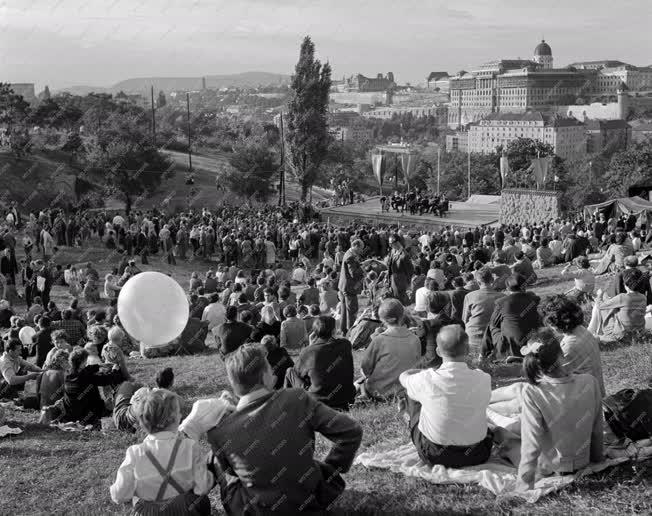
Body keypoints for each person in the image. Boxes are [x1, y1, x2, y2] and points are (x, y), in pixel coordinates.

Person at [207, 344, 363, 514]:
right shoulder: (296, 398)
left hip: (258, 510)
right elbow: (351, 431)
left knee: (214, 459)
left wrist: (236, 416)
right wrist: (331, 469)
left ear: (233, 383)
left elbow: (234, 472)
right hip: (311, 500)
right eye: (269, 366)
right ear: (265, 375)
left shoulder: (219, 432)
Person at [516, 329, 603, 491]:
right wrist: (598, 460)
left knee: (507, 441)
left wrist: (523, 486)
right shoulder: (590, 382)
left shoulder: (532, 391)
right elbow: (597, 429)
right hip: (583, 461)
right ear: (561, 354)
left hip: (550, 469)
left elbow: (531, 443)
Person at [399, 325, 493, 467]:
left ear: (438, 351)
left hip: (435, 455)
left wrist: (422, 371)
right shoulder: (484, 378)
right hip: (478, 453)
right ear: (467, 350)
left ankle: (412, 420)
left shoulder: (426, 378)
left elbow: (403, 377)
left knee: (411, 389)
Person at [110, 389, 213, 515]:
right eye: (178, 413)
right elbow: (202, 487)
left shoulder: (135, 453)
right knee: (199, 500)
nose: (181, 415)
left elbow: (119, 495)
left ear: (142, 423)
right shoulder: (190, 446)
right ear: (175, 419)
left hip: (150, 512)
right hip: (186, 508)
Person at [284, 315, 356, 411]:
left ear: (315, 332)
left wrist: (310, 345)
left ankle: (288, 405)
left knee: (290, 371)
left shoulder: (308, 351)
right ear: (333, 331)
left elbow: (298, 373)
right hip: (344, 399)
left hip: (318, 402)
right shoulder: (346, 344)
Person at [540, 296, 605, 396]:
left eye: (550, 324)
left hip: (586, 400)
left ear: (556, 324)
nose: (549, 327)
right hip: (597, 392)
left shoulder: (568, 346)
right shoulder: (581, 329)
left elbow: (548, 375)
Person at [359, 299, 421, 399]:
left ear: (382, 319)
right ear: (402, 315)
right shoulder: (415, 339)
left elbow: (365, 369)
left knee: (359, 382)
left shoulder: (379, 340)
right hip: (406, 389)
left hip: (380, 391)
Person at [59, 347, 124, 426]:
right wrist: (115, 370)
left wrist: (99, 365)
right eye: (85, 361)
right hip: (87, 413)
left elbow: (86, 369)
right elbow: (107, 379)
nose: (86, 362)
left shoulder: (68, 373)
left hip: (71, 412)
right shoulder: (86, 377)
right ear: (82, 362)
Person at [487, 274, 541, 359]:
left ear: (508, 289)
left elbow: (493, 323)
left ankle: (484, 353)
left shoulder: (501, 302)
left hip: (512, 346)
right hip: (534, 339)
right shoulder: (535, 299)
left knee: (491, 325)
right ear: (525, 286)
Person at [588, 268, 647, 341]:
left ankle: (592, 331)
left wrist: (599, 295)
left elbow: (600, 306)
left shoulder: (622, 297)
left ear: (625, 284)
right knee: (607, 301)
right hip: (638, 334)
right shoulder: (643, 297)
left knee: (602, 301)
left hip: (620, 335)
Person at [462, 267, 506, 353]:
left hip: (473, 338)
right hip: (495, 338)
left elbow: (464, 320)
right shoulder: (503, 297)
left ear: (478, 282)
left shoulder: (470, 296)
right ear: (492, 280)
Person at [338, 239, 365, 335]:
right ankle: (351, 332)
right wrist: (363, 268)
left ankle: (343, 330)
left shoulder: (348, 253)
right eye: (361, 248)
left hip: (344, 286)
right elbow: (354, 273)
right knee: (352, 311)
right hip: (349, 287)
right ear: (356, 246)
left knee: (345, 310)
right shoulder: (351, 257)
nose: (362, 250)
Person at [385, 234, 413, 305]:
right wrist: (388, 277)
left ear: (397, 243)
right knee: (395, 299)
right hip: (393, 279)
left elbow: (410, 270)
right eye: (389, 244)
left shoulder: (404, 255)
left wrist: (408, 283)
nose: (390, 246)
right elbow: (390, 265)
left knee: (401, 301)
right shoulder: (393, 251)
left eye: (391, 244)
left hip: (401, 281)